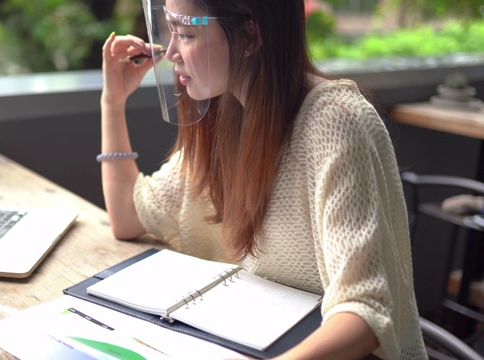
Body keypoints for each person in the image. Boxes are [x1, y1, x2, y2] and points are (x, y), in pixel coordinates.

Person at [98, 0, 427, 358]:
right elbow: (129, 218)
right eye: (171, 32)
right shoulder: (224, 114)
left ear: (250, 35)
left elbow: (365, 314)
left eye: (187, 34)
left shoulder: (335, 121)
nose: (172, 52)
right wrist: (112, 102)